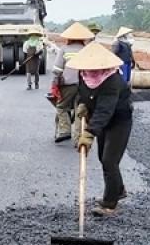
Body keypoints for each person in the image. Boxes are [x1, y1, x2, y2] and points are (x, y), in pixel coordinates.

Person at [69, 42, 133, 217]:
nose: (90, 70)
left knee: (109, 160)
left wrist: (89, 133)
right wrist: (82, 105)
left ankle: (110, 204)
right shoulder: (84, 75)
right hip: (100, 120)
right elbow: (83, 93)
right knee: (102, 157)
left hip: (119, 120)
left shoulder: (113, 80)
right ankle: (117, 190)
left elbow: (106, 109)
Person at [51, 22, 94, 143]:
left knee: (61, 107)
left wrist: (54, 83)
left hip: (68, 85)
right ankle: (78, 137)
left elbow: (57, 69)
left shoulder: (64, 49)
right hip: (85, 85)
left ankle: (65, 131)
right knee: (80, 109)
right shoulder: (87, 50)